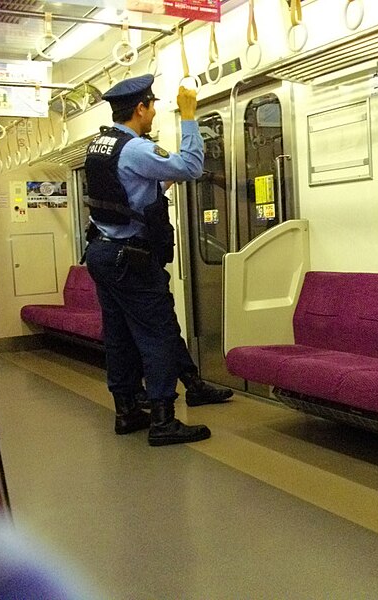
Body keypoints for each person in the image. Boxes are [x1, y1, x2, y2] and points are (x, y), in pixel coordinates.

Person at [84, 74, 231, 447]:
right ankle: (163, 419)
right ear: (140, 108)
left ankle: (126, 411)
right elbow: (192, 166)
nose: (154, 113)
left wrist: (164, 179)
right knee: (158, 335)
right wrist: (188, 116)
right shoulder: (134, 148)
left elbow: (127, 191)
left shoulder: (100, 145)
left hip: (101, 252)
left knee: (118, 336)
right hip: (129, 257)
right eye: (152, 107)